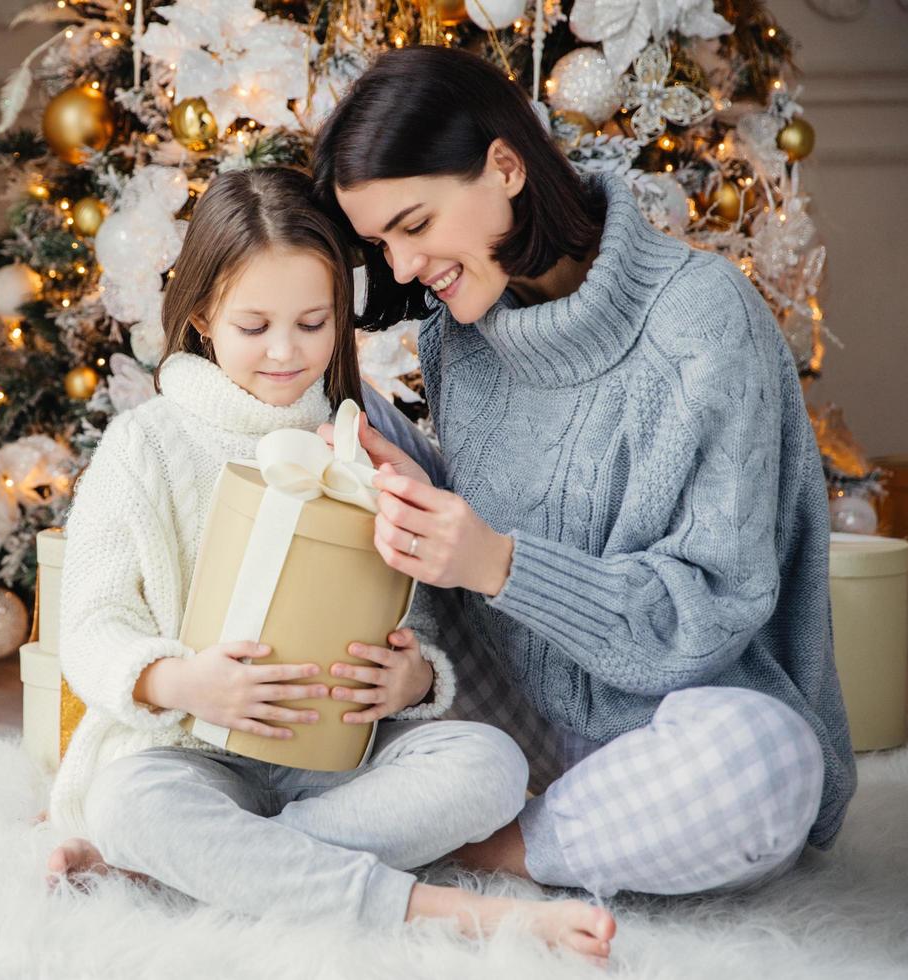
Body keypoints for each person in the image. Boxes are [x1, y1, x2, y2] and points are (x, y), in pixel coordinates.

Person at [307, 45, 855, 899]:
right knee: (325, 406)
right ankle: (309, 796)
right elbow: (479, 559)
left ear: (504, 165)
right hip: (504, 716)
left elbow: (709, 615)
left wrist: (497, 562)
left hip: (672, 733)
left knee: (767, 760)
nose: (405, 268)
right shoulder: (459, 339)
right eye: (383, 243)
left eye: (414, 226)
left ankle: (473, 848)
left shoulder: (700, 321)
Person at [45, 166, 616, 957]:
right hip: (192, 756)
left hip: (337, 760)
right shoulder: (146, 444)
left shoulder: (359, 445)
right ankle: (443, 913)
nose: (286, 352)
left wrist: (413, 681)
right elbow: (93, 626)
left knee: (486, 763)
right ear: (204, 317)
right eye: (255, 328)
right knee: (126, 804)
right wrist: (183, 681)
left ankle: (207, 866)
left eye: (313, 324)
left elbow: (410, 621)